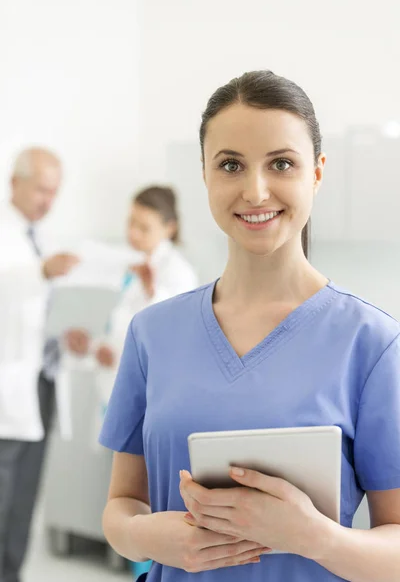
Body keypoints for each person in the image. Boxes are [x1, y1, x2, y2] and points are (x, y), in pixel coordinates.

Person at [98, 71, 400, 582]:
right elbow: (121, 506)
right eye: (231, 165)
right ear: (205, 175)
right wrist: (151, 537)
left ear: (317, 173)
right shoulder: (152, 334)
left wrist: (314, 537)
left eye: (281, 163)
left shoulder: (371, 344)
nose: (255, 191)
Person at [0, 147, 79, 582]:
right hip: (8, 387)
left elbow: (39, 315)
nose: (48, 200)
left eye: (55, 192)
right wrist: (40, 273)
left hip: (41, 381)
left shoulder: (41, 237)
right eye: (41, 189)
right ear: (16, 183)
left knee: (25, 497)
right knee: (2, 493)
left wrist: (67, 334)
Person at [66, 185, 198, 405]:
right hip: (113, 390)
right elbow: (121, 330)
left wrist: (151, 291)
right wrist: (95, 347)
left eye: (144, 228)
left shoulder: (179, 274)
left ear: (170, 228)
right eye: (131, 223)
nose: (133, 234)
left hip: (151, 398)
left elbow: (173, 337)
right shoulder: (130, 265)